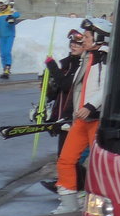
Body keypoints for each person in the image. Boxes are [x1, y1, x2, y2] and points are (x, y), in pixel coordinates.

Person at [52, 19, 109, 214]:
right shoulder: (88, 57)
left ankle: (100, 208)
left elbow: (107, 86)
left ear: (100, 37)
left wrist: (91, 106)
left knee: (99, 166)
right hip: (81, 119)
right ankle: (68, 204)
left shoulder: (105, 58)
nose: (83, 40)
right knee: (66, 159)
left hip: (96, 118)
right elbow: (76, 88)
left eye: (87, 37)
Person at [37, 27, 88, 194]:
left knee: (69, 156)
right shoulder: (68, 63)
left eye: (78, 44)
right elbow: (58, 91)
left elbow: (67, 85)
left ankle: (74, 186)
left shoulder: (82, 65)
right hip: (61, 114)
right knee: (63, 155)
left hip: (73, 116)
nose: (73, 46)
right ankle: (66, 183)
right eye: (72, 43)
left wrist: (52, 67)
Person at [0, 0, 22, 79]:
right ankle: (4, 69)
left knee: (7, 51)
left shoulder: (11, 11)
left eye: (2, 5)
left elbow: (17, 14)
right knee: (2, 53)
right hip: (1, 36)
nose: (0, 7)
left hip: (9, 35)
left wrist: (12, 16)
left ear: (6, 5)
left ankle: (8, 67)